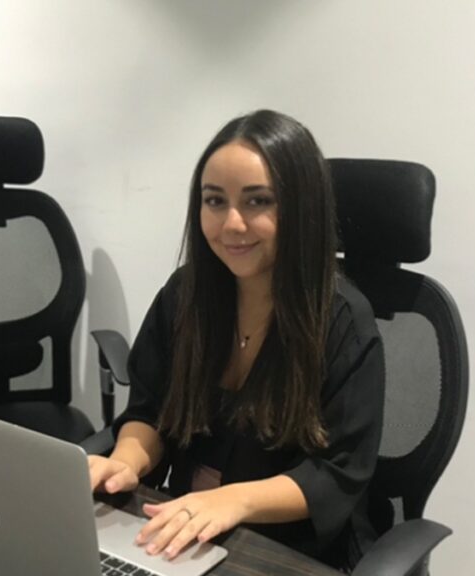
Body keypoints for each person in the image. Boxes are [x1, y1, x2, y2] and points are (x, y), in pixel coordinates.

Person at [88, 109, 387, 571]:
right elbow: (150, 411)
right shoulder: (185, 295)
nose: (231, 224)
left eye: (257, 201)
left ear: (299, 208)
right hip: (182, 534)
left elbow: (335, 473)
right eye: (214, 201)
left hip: (290, 551)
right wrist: (127, 460)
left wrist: (233, 502)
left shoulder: (343, 322)